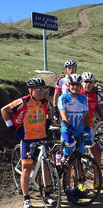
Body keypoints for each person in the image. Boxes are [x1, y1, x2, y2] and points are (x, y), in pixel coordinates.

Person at [1, 78, 55, 208]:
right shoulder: (22, 102)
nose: (41, 92)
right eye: (37, 89)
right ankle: (26, 198)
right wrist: (9, 125)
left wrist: (49, 121)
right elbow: (4, 110)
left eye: (42, 89)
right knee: (26, 168)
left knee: (47, 166)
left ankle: (47, 195)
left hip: (42, 138)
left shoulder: (45, 102)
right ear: (30, 90)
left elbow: (49, 114)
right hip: (27, 139)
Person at [57, 74, 95, 192]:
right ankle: (61, 165)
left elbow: (86, 117)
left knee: (77, 161)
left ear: (80, 86)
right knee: (69, 159)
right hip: (67, 131)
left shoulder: (83, 99)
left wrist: (87, 130)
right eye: (73, 84)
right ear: (69, 85)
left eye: (77, 85)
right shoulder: (63, 98)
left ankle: (76, 186)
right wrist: (71, 128)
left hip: (79, 131)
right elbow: (64, 117)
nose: (75, 87)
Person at [80, 72, 103, 188]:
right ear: (81, 82)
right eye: (85, 81)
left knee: (97, 152)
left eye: (90, 82)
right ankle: (80, 182)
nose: (87, 84)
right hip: (76, 128)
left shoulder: (96, 96)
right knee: (77, 156)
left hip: (88, 128)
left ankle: (96, 180)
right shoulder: (77, 94)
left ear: (93, 83)